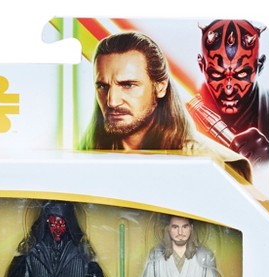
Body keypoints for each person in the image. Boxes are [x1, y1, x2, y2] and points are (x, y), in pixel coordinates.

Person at [79, 31, 252, 183]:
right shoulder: (87, 152)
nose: (112, 101)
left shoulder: (209, 161)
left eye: (128, 85)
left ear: (160, 87)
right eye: (102, 86)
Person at [193, 19, 269, 165]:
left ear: (259, 67)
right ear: (201, 66)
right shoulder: (183, 114)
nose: (228, 89)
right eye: (217, 74)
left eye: (241, 74)